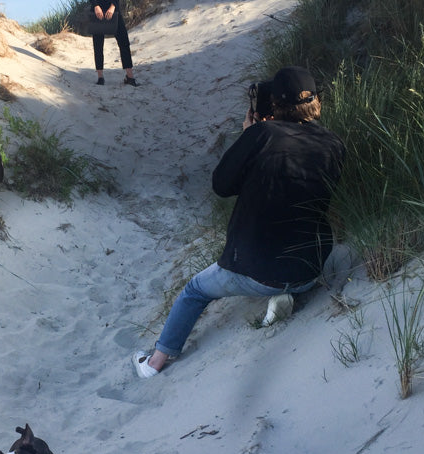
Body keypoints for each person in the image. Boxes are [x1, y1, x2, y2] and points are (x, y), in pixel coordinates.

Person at [132, 66, 345, 378]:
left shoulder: (262, 135)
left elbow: (222, 185)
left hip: (257, 269)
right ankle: (288, 294)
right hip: (311, 267)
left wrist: (249, 136)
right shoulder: (334, 143)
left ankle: (154, 363)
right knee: (287, 259)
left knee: (195, 291)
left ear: (276, 105)